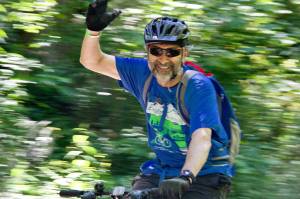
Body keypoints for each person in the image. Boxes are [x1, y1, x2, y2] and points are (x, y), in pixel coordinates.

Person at [80, 0, 232, 198]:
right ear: (147, 52)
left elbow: (202, 137)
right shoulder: (141, 73)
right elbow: (92, 61)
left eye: (172, 52)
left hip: (204, 173)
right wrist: (93, 32)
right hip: (161, 169)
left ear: (184, 54)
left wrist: (186, 176)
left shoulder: (198, 85)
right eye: (156, 51)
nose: (163, 59)